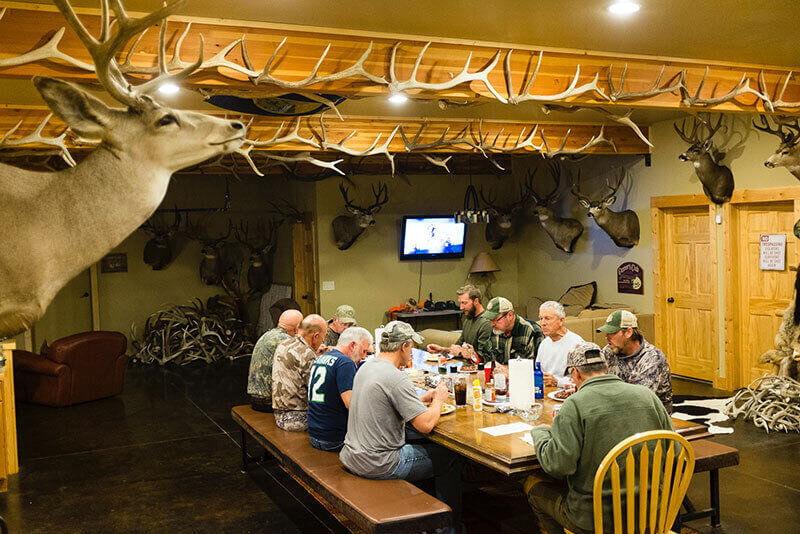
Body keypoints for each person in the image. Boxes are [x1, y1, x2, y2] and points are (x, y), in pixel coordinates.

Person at [525, 342, 675, 534]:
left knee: (533, 486)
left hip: (596, 520)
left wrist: (540, 433)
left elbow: (558, 466)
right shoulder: (647, 396)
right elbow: (675, 451)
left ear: (575, 373)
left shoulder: (574, 404)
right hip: (651, 514)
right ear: (606, 368)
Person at [339, 321, 462, 524]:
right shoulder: (396, 377)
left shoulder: (366, 367)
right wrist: (439, 400)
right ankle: (448, 525)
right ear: (404, 346)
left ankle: (422, 508)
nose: (411, 352)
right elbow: (425, 425)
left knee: (421, 443)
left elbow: (386, 400)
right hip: (379, 463)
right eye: (411, 347)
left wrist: (422, 399)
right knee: (449, 457)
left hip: (352, 455)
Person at [307, 327, 374, 452]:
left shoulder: (321, 358)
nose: (364, 356)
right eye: (364, 351)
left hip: (315, 434)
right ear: (352, 345)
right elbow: (351, 405)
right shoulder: (345, 362)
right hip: (334, 439)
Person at [597, 310, 673, 413]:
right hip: (616, 410)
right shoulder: (609, 350)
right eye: (606, 333)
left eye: (612, 333)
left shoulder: (652, 358)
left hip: (649, 415)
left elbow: (636, 400)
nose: (606, 337)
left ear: (628, 332)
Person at [271, 314, 328, 431]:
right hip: (296, 419)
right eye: (323, 337)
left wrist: (315, 354)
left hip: (279, 414)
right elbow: (318, 392)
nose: (323, 341)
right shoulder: (308, 355)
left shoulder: (284, 344)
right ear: (316, 336)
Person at [247, 309, 303, 412]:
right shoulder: (286, 341)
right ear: (297, 328)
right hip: (269, 403)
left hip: (255, 400)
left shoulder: (268, 334)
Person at [426, 284, 492, 362]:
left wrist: (461, 353)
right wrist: (442, 349)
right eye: (460, 303)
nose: (461, 307)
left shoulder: (486, 323)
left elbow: (484, 357)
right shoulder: (468, 320)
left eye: (464, 303)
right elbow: (458, 346)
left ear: (476, 301)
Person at [483, 296, 544, 370]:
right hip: (498, 376)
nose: (492, 324)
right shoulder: (495, 330)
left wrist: (505, 369)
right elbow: (486, 358)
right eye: (490, 320)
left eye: (496, 320)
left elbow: (537, 367)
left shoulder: (532, 331)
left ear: (510, 315)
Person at [537, 301, 585, 388]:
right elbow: (539, 372)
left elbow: (583, 379)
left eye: (547, 318)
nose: (542, 323)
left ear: (561, 321)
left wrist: (557, 382)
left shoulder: (577, 344)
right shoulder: (544, 344)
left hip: (569, 392)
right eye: (541, 318)